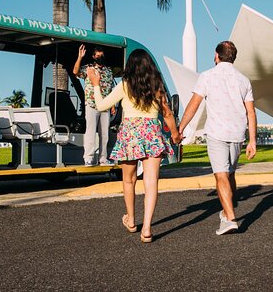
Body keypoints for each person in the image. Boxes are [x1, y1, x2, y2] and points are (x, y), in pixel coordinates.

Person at [88, 49, 182, 243]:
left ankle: (131, 220)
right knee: (151, 182)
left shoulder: (125, 85)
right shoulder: (157, 86)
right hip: (152, 133)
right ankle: (146, 229)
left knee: (129, 180)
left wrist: (96, 84)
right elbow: (167, 114)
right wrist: (175, 134)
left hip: (130, 133)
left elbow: (102, 105)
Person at [178, 40, 257, 235]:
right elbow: (251, 112)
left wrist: (181, 128)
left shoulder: (207, 76)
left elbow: (194, 104)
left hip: (217, 133)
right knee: (229, 174)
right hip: (238, 134)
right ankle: (226, 211)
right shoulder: (243, 80)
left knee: (221, 175)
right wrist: (252, 140)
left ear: (216, 55)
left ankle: (230, 219)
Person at [73, 44, 114, 166]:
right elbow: (75, 72)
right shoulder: (88, 68)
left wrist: (112, 105)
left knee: (104, 134)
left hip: (106, 105)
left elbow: (110, 88)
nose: (100, 58)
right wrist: (80, 57)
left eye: (101, 56)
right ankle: (88, 158)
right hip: (91, 104)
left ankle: (103, 159)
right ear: (93, 56)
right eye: (97, 56)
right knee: (90, 131)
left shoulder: (108, 70)